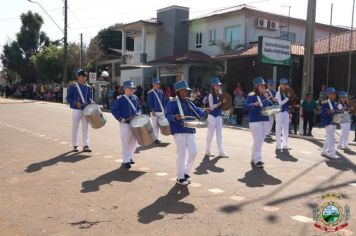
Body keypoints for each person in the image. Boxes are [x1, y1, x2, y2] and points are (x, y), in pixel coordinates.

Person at [166, 80, 210, 185]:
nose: (187, 92)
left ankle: (185, 172)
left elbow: (197, 111)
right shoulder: (172, 102)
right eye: (185, 90)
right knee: (182, 154)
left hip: (190, 129)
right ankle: (180, 177)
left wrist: (205, 111)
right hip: (179, 130)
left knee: (193, 152)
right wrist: (174, 117)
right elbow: (167, 116)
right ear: (179, 91)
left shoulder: (188, 101)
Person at [111, 81, 140, 169]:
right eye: (129, 88)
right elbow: (114, 110)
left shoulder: (135, 98)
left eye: (132, 88)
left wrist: (139, 113)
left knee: (134, 141)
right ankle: (126, 160)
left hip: (134, 123)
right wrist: (120, 118)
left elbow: (139, 108)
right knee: (126, 142)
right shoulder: (120, 99)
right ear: (125, 89)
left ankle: (130, 156)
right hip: (125, 124)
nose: (131, 90)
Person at [245, 77, 270, 168]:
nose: (263, 86)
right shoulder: (251, 95)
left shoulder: (265, 95)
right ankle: (258, 160)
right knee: (258, 140)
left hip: (265, 120)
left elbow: (268, 107)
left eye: (264, 85)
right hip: (255, 120)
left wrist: (272, 100)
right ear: (256, 86)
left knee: (260, 140)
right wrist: (254, 104)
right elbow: (246, 106)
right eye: (261, 85)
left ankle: (253, 157)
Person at [66, 69, 93, 152]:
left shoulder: (88, 87)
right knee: (75, 128)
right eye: (82, 77)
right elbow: (68, 98)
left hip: (85, 110)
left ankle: (86, 145)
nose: (84, 78)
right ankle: (75, 145)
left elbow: (89, 98)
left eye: (85, 77)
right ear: (78, 77)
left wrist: (92, 103)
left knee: (85, 128)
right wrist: (75, 102)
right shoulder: (73, 86)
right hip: (76, 110)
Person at [205, 77, 228, 158]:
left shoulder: (220, 94)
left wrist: (225, 104)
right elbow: (211, 106)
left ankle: (221, 152)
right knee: (210, 135)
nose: (219, 86)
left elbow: (222, 105)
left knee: (219, 135)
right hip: (212, 116)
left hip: (218, 116)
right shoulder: (211, 95)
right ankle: (207, 151)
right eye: (217, 85)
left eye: (219, 85)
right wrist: (220, 103)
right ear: (213, 86)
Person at [321, 87, 339, 159]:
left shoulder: (335, 103)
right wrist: (328, 111)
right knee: (331, 138)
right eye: (332, 94)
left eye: (334, 94)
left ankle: (324, 151)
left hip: (334, 121)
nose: (334, 95)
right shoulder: (325, 102)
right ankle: (332, 153)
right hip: (328, 122)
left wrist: (340, 111)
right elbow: (323, 113)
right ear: (328, 95)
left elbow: (336, 111)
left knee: (329, 137)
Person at [147, 77, 166, 144]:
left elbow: (163, 101)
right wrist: (152, 110)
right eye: (156, 84)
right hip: (154, 112)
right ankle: (154, 139)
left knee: (158, 126)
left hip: (160, 111)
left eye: (158, 84)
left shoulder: (161, 92)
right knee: (154, 125)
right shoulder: (150, 93)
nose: (157, 85)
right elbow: (150, 102)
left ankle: (156, 138)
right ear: (153, 84)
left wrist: (165, 109)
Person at [275, 78, 291, 151]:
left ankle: (285, 144)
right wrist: (287, 98)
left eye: (285, 84)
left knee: (286, 129)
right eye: (283, 84)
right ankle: (278, 145)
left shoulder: (286, 93)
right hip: (279, 113)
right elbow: (280, 103)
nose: (284, 86)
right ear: (280, 85)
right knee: (278, 129)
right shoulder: (278, 93)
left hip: (285, 112)